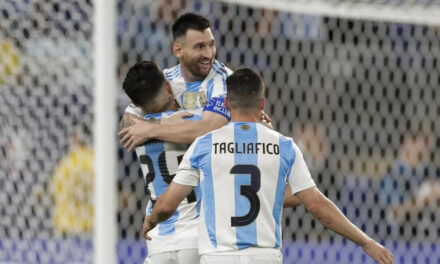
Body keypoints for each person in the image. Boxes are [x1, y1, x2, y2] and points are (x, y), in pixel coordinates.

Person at [143, 68, 394, 264]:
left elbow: (166, 205)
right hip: (264, 255)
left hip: (217, 256)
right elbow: (316, 207)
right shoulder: (283, 146)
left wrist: (152, 220)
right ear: (261, 104)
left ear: (227, 104)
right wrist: (365, 241)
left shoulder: (203, 145)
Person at [118, 12, 271, 149]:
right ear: (178, 50)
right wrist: (169, 121)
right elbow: (125, 125)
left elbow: (208, 129)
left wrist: (150, 129)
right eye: (199, 47)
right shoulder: (165, 79)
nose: (209, 54)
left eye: (211, 45)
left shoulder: (225, 80)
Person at [122, 60, 203, 263]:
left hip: (157, 239)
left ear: (137, 104)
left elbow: (124, 122)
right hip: (194, 234)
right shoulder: (190, 122)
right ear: (167, 86)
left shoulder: (135, 132)